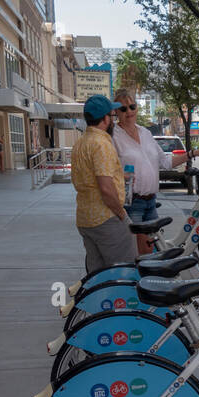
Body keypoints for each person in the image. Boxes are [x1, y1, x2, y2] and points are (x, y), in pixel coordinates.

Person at [110, 88, 199, 255]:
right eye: (123, 108)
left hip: (150, 202)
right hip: (132, 203)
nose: (129, 112)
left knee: (153, 251)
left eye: (132, 107)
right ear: (116, 112)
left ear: (137, 108)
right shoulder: (113, 136)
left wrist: (193, 153)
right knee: (142, 253)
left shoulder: (146, 133)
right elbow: (108, 168)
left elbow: (166, 162)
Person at [70, 94, 135, 274]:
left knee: (97, 275)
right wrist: (122, 214)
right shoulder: (101, 144)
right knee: (124, 273)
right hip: (107, 218)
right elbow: (106, 189)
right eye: (112, 116)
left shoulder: (80, 143)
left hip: (85, 218)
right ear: (106, 119)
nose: (113, 121)